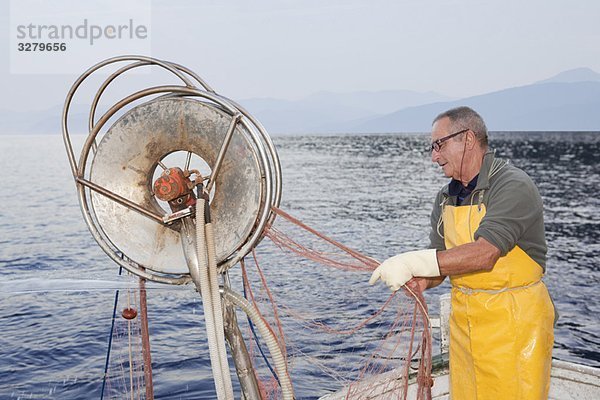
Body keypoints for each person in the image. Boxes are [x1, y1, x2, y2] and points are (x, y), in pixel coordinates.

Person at [369, 106, 555, 399]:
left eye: (438, 144)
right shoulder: (445, 198)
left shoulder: (512, 185)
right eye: (432, 147)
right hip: (464, 332)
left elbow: (485, 253)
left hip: (515, 329)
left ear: (468, 138)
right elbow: (440, 262)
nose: (434, 156)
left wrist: (412, 261)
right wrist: (422, 279)